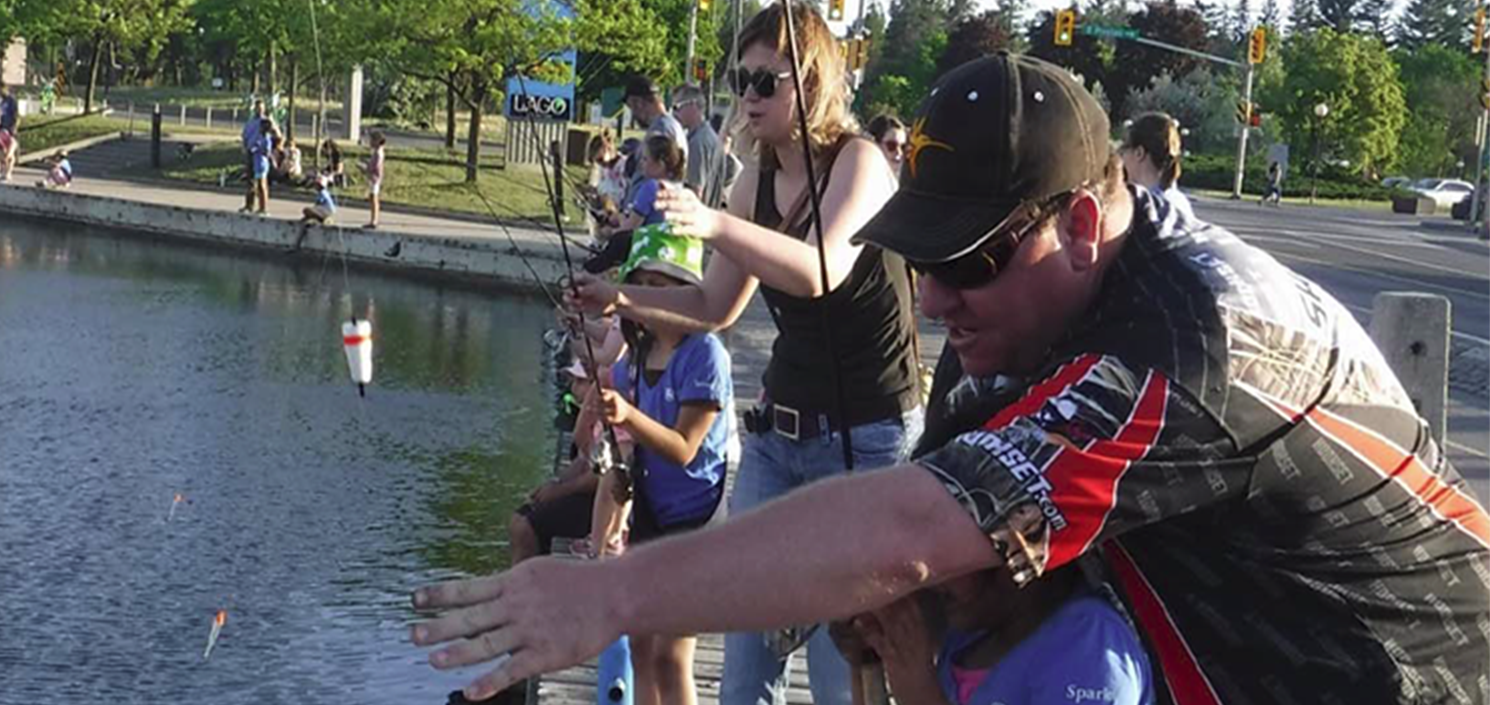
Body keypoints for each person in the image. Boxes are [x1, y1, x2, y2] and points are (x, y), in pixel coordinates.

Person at [412, 50, 1490, 705]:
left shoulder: (1196, 336)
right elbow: (913, 553)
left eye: (966, 262)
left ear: (1079, 225)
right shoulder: (1032, 336)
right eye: (919, 261)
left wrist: (609, 594)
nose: (930, 301)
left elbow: (905, 531)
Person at [565, 7, 925, 703]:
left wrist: (715, 223)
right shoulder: (750, 182)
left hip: (867, 437)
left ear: (813, 81)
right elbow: (712, 307)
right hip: (776, 439)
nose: (749, 95)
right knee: (746, 659)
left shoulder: (860, 164)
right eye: (741, 79)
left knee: (837, 662)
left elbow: (819, 268)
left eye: (766, 79)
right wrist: (619, 299)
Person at [583, 225, 731, 705]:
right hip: (650, 511)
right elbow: (627, 430)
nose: (656, 299)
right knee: (642, 647)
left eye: (669, 289)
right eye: (646, 286)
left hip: (697, 522)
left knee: (673, 655)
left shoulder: (705, 354)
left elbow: (685, 447)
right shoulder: (637, 354)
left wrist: (628, 416)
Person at [834, 563, 1151, 705]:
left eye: (949, 557)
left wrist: (921, 697)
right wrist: (872, 657)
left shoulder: (1089, 651)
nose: (930, 577)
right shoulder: (969, 631)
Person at [1119, 112, 1194, 222]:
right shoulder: (1179, 202)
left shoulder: (1143, 209)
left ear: (1139, 153)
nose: (1122, 159)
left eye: (1124, 151)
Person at [610, 135, 684, 235]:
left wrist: (612, 227)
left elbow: (630, 228)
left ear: (660, 164)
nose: (641, 163)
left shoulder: (650, 188)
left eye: (645, 159)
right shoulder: (679, 188)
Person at [624, 75, 690, 182]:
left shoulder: (662, 128)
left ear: (639, 103)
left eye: (632, 107)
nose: (633, 114)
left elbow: (659, 172)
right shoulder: (666, 125)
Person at [673, 84, 727, 202]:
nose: (674, 114)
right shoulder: (709, 136)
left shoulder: (698, 143)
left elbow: (695, 193)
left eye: (677, 107)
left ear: (693, 105)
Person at [363, 130, 387, 229]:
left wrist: (365, 168)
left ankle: (374, 221)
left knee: (373, 198)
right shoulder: (377, 152)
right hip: (374, 177)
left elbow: (375, 166)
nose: (370, 142)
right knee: (372, 197)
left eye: (372, 140)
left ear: (377, 141)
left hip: (374, 178)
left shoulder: (378, 153)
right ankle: (373, 220)